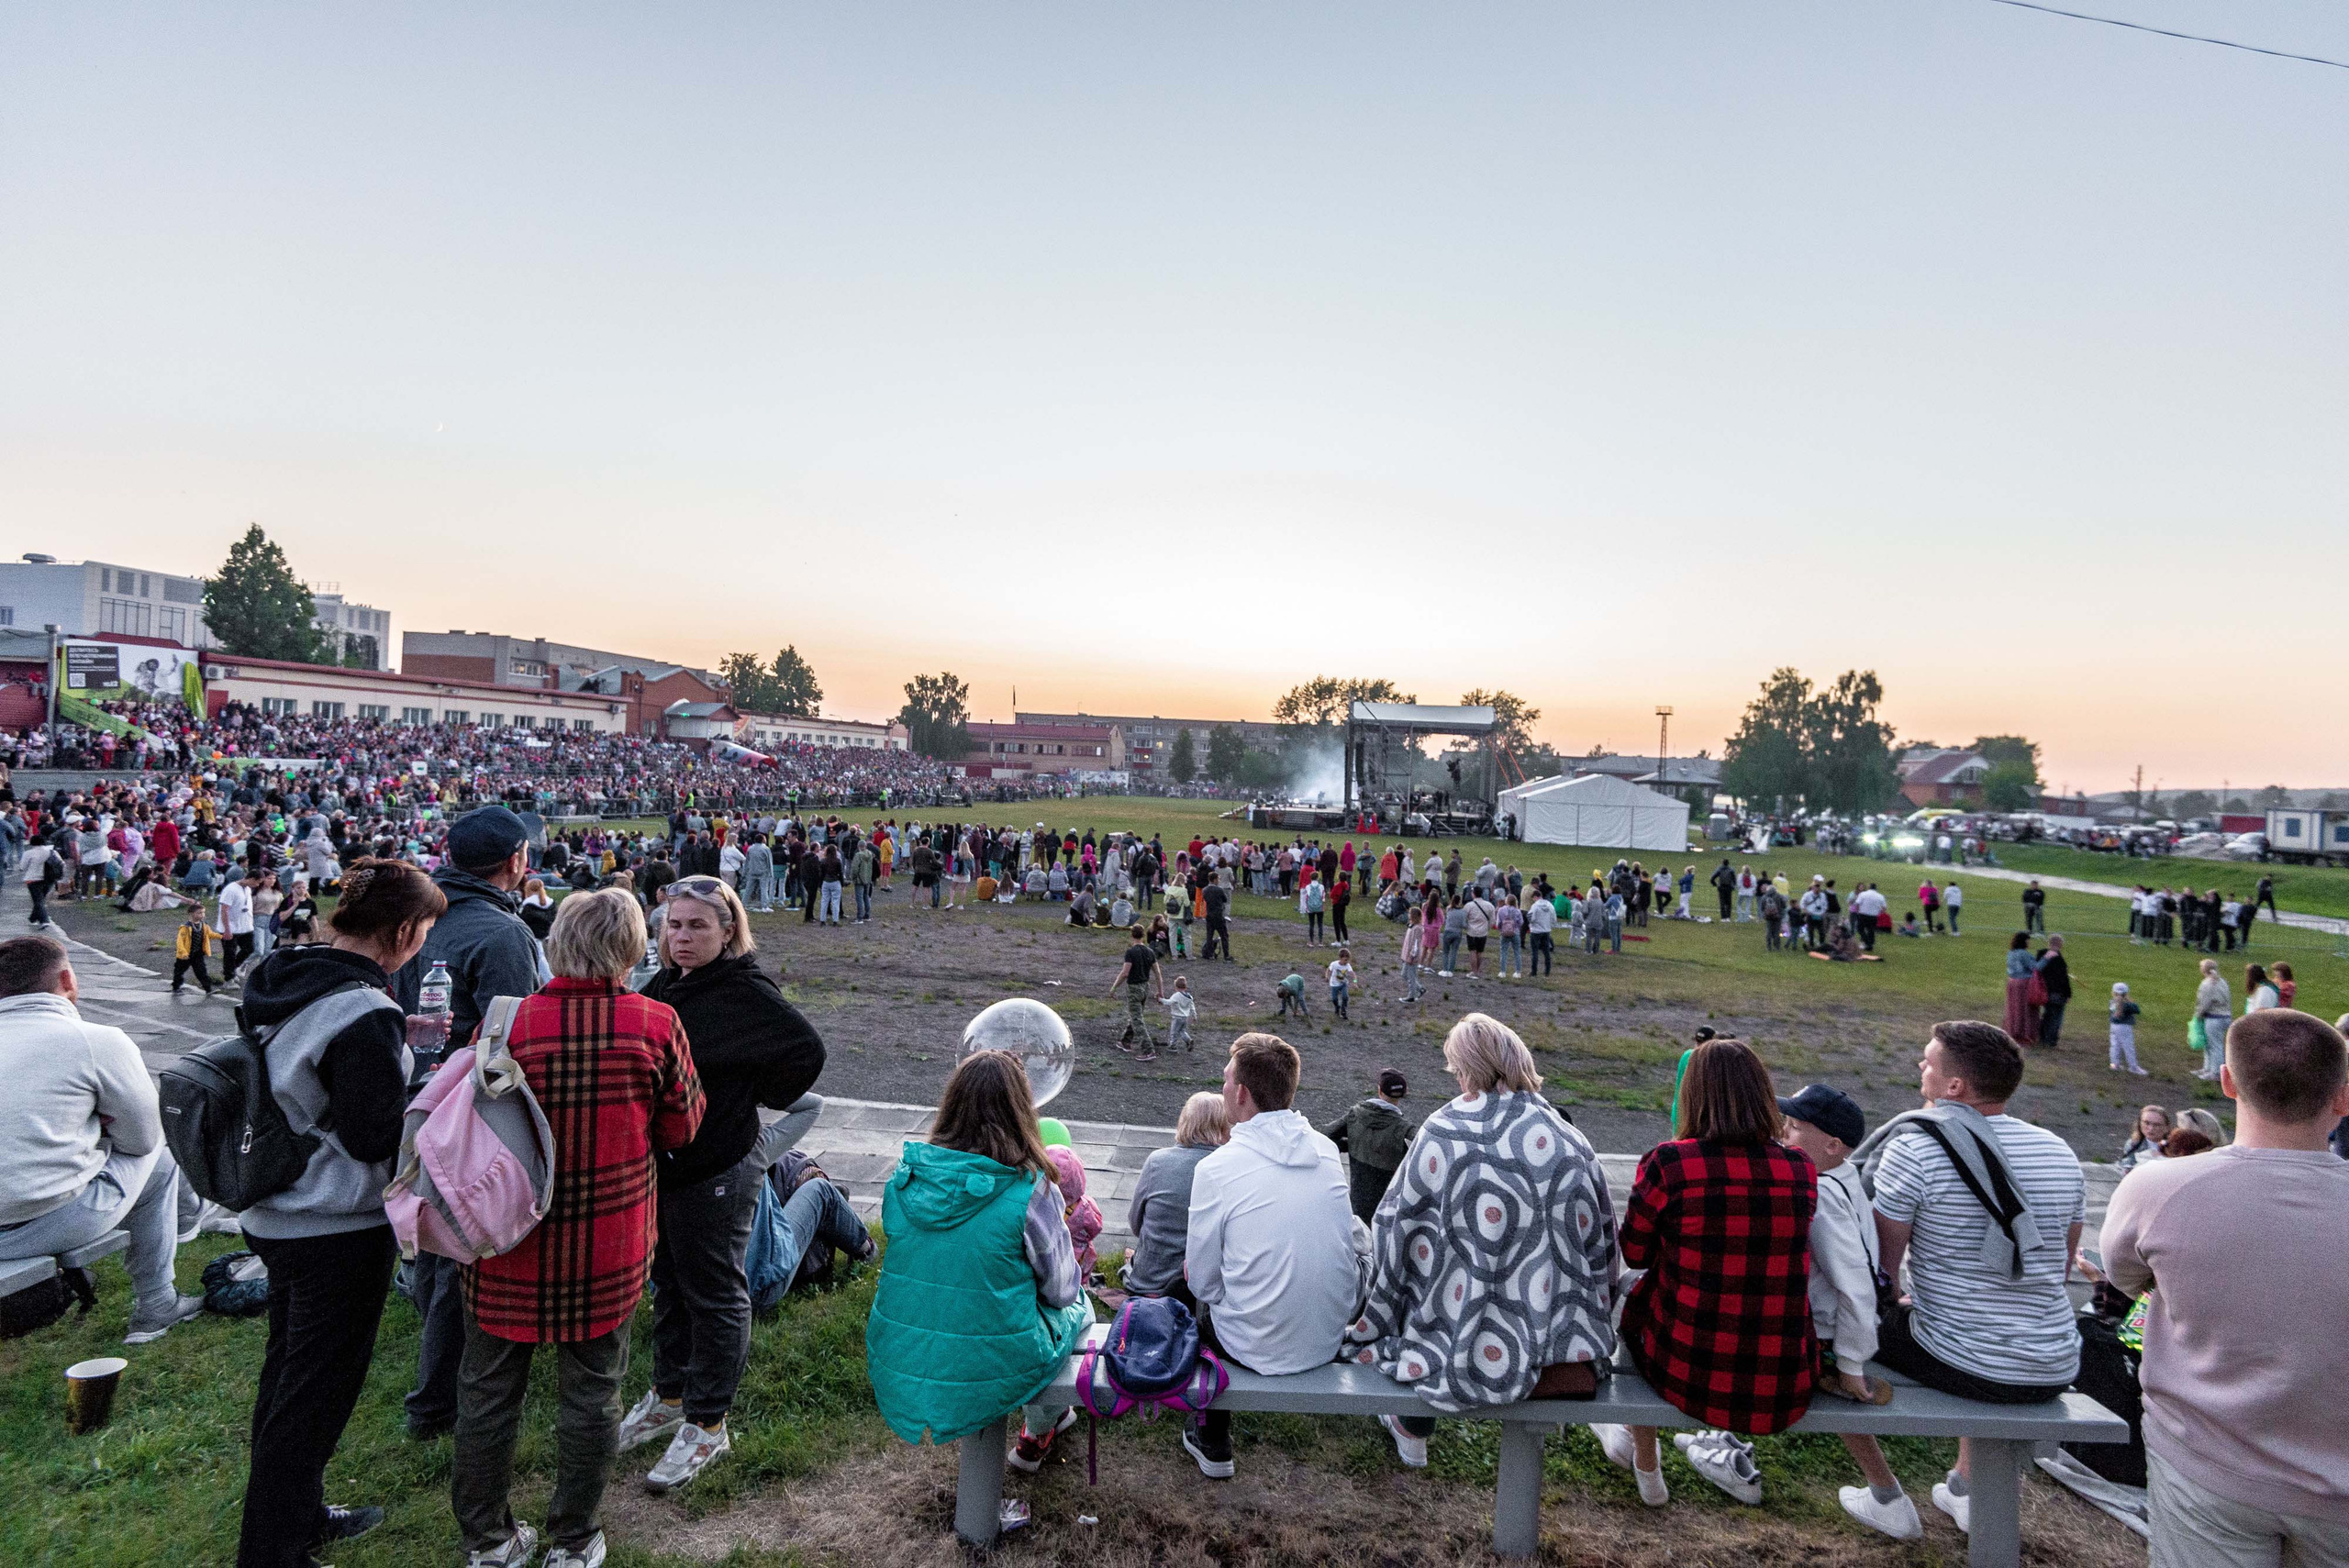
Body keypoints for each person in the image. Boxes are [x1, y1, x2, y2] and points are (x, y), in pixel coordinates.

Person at [455, 890, 706, 1568]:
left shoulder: (509, 1020)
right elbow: (684, 1124)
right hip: (606, 1239)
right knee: (593, 1394)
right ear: (632, 947)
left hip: (505, 1235)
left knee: (487, 1391)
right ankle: (574, 1537)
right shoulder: (655, 1022)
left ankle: (487, 1539)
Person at [232, 859, 446, 1568]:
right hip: (333, 1218)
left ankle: (295, 1511)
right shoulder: (364, 1009)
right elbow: (369, 1134)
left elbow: (309, 1060)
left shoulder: (288, 972)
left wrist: (392, 1046)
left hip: (276, 1206)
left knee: (288, 1373)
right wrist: (424, 1091)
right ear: (406, 930)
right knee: (316, 1391)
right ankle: (276, 1550)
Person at [2103, 1010, 2349, 1567]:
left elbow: (2126, 1278)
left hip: (2207, 1466)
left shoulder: (2157, 1188)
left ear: (2229, 1082)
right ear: (2344, 1099)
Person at [624, 875, 826, 1492]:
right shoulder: (668, 983)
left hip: (718, 1165)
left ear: (728, 930)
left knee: (713, 1289)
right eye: (673, 925)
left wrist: (752, 1093)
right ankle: (670, 1393)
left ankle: (708, 1423)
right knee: (671, 1284)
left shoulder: (742, 988)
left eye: (697, 926)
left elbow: (804, 1049)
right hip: (669, 1165)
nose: (681, 937)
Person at [1345, 1017, 1616, 1469]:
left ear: (1468, 1070)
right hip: (1559, 1348)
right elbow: (1602, 1246)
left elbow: (1393, 1224)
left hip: (1454, 1336)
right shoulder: (1571, 1139)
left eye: (1456, 1071)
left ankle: (1411, 1427)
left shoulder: (1444, 1129)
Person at [1861, 1020, 2086, 1535]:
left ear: (1954, 1087)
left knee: (1842, 1330)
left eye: (1928, 1062)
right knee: (1969, 1319)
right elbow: (2059, 1267)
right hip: (2053, 1360)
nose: (1921, 1067)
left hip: (1970, 1363)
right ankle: (1964, 1487)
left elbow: (1881, 1277)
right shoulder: (2058, 1150)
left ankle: (1885, 1496)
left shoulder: (1914, 1147)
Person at [1595, 1038, 1817, 1508]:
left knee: (1633, 1306)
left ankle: (1643, 1456)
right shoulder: (1799, 1168)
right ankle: (1655, 1458)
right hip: (1780, 1379)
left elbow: (1633, 1252)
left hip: (1688, 1369)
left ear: (1692, 1096)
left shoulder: (1671, 1162)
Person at [864, 1051, 1092, 1481]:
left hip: (903, 1353)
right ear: (1022, 1109)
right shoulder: (1031, 1191)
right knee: (1081, 1306)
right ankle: (1042, 1424)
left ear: (951, 1103)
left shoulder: (906, 1179)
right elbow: (1061, 1291)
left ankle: (1051, 1419)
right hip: (989, 1363)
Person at [394, 806, 544, 1443]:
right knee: (464, 1256)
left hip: (408, 1097)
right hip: (462, 1112)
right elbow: (510, 1038)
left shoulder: (415, 917)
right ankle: (435, 1403)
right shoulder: (502, 934)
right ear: (516, 862)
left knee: (430, 1247)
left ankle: (435, 1379)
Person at [0, 935, 206, 1346]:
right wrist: (103, 1128)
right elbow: (142, 1139)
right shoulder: (95, 1040)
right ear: (67, 979)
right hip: (34, 1224)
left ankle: (189, 1219)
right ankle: (159, 1298)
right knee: (159, 1155)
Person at [1181, 1031, 1363, 1477]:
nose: (1222, 1087)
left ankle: (1211, 1434)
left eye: (1225, 1080)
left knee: (1191, 1300)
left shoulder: (1217, 1169)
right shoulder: (1322, 1150)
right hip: (1326, 1336)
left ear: (1241, 1093)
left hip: (1253, 1347)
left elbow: (1203, 1283)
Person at [1123, 1091, 1231, 1298]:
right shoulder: (1227, 1168)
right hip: (1193, 1289)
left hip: (1146, 1281)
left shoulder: (1156, 1161)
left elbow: (1135, 1223)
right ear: (1223, 1128)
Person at [1320, 1068, 1413, 1224]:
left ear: (1379, 1090)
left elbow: (1326, 1134)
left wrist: (1351, 1145)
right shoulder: (1403, 1128)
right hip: (1388, 1210)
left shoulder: (1355, 1115)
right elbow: (1424, 1150)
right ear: (1404, 1093)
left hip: (1357, 1205)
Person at [1111, 924, 1163, 1059]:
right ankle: (1125, 1041)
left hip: (1134, 988)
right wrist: (1160, 991)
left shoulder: (1130, 952)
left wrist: (1113, 988)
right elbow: (1157, 973)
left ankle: (1148, 1050)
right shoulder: (1150, 952)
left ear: (1131, 935)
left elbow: (1125, 973)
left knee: (1137, 1019)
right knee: (1136, 1015)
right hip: (1145, 987)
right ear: (1143, 935)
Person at [173, 899, 225, 995]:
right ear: (192, 914)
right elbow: (180, 942)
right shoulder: (185, 927)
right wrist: (183, 953)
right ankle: (176, 987)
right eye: (199, 913)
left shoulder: (204, 926)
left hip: (198, 954)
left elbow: (210, 934)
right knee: (179, 971)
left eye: (203, 913)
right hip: (186, 955)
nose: (202, 915)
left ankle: (208, 989)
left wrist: (221, 936)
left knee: (202, 971)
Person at [2193, 958, 2232, 1080]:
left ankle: (2215, 1072)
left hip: (2213, 1018)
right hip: (2225, 1016)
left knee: (2214, 1046)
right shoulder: (2222, 981)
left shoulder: (2206, 984)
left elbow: (2204, 1003)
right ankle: (2207, 1068)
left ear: (2203, 970)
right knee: (2212, 1044)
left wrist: (2197, 1016)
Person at [2002, 932, 2041, 1045]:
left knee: (2013, 1008)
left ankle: (2012, 1030)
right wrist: (2045, 959)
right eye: (2028, 940)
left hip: (2012, 983)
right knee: (2025, 1009)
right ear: (2024, 941)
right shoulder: (2024, 954)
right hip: (2023, 984)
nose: (2029, 943)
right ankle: (2024, 1034)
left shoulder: (2011, 952)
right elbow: (2035, 968)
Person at [2035, 935, 2072, 1047]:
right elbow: (2063, 979)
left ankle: (2042, 1037)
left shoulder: (2042, 955)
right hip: (2058, 993)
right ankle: (2051, 1040)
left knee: (2047, 1015)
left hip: (2045, 991)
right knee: (2056, 1018)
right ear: (2059, 944)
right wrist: (2068, 993)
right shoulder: (2059, 959)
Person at [2110, 983, 2149, 1075]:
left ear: (2113, 992)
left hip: (2113, 1026)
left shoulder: (2111, 1002)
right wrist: (2129, 1000)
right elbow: (2137, 1010)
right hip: (2124, 1027)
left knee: (2115, 1046)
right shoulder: (2127, 1004)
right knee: (2128, 1047)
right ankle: (2133, 1067)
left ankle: (2114, 1065)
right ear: (2126, 993)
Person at [2118, 1103, 2170, 1170]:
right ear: (2140, 1124)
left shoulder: (2174, 1144)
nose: (2151, 1128)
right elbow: (2127, 1163)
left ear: (2166, 1127)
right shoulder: (2134, 1144)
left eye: (2157, 1125)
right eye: (2146, 1123)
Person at [1160, 974, 1197, 1052]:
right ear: (1185, 987)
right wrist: (1194, 1015)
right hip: (1185, 1017)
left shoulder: (1176, 996)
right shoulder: (1189, 997)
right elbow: (1192, 1006)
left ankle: (1173, 1046)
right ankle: (1188, 1040)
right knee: (1182, 1031)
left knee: (1174, 1032)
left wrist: (1160, 999)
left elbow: (1168, 1002)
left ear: (1176, 987)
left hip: (1177, 1017)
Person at [1326, 947, 1355, 1019]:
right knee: (1334, 999)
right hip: (1334, 984)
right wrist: (1326, 976)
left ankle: (1343, 1011)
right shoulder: (1334, 964)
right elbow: (1328, 970)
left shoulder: (1347, 966)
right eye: (1345, 960)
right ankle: (1337, 1007)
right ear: (1340, 958)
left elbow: (1353, 974)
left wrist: (1355, 983)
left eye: (1347, 960)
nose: (1346, 962)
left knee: (1345, 997)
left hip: (1343, 984)